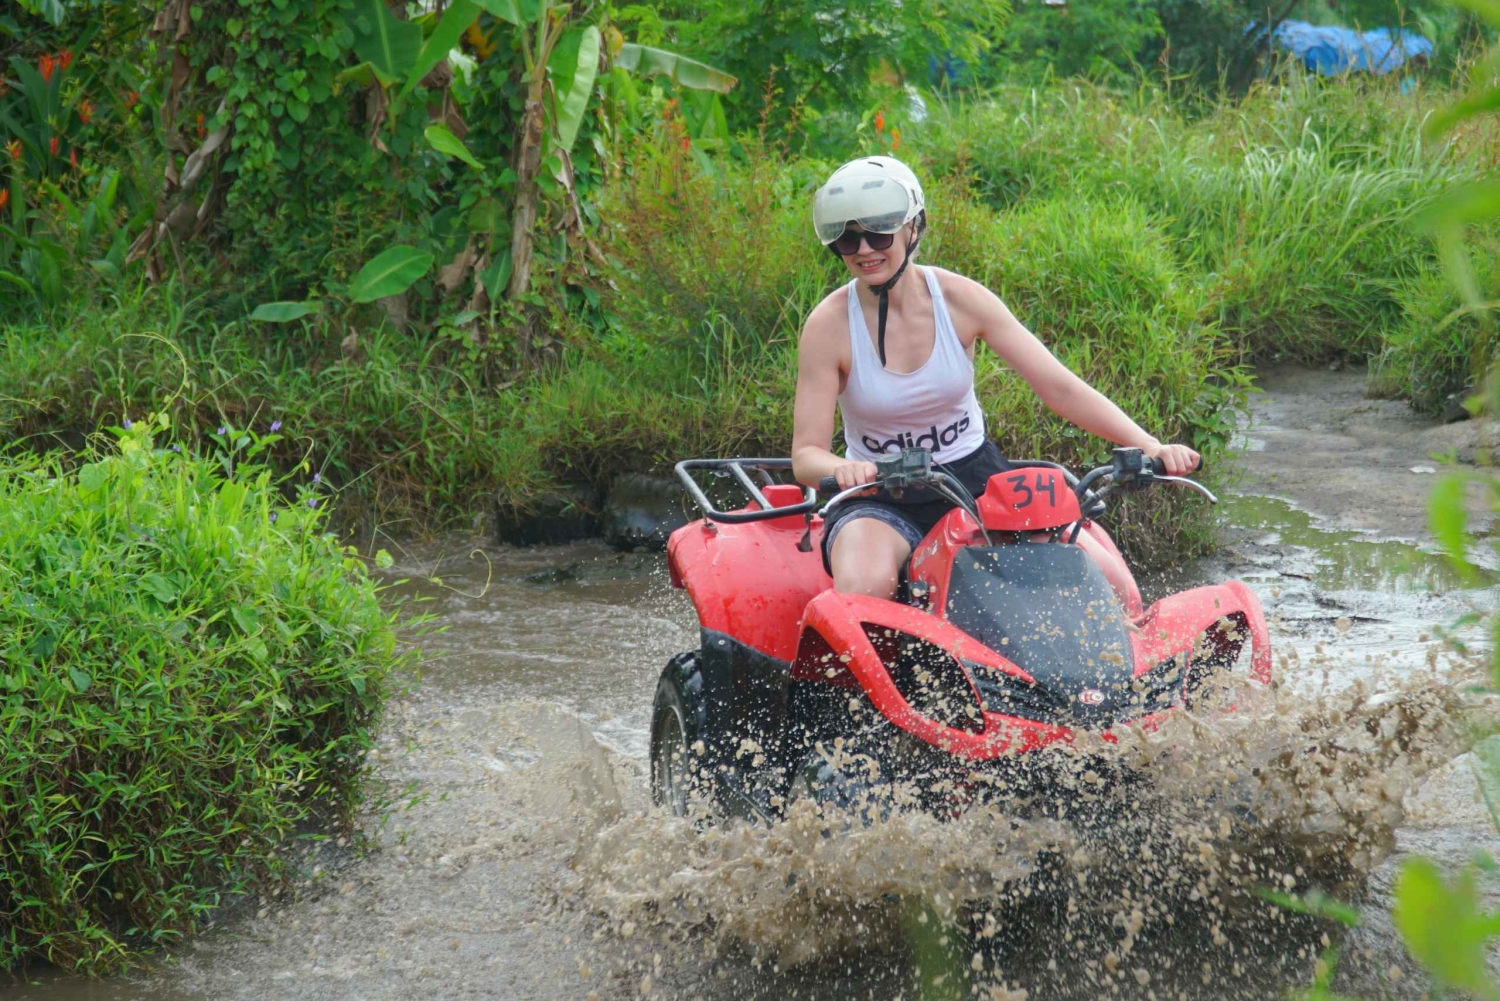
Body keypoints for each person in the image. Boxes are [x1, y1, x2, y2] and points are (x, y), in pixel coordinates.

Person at [791, 155, 1199, 599]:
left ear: (914, 227)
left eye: (878, 233)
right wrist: (847, 469)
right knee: (866, 585)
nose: (866, 250)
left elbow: (1059, 387)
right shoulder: (827, 326)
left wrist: (1151, 446)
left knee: (1112, 587)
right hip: (879, 496)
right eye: (849, 241)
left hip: (977, 480)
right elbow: (806, 455)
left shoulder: (961, 300)